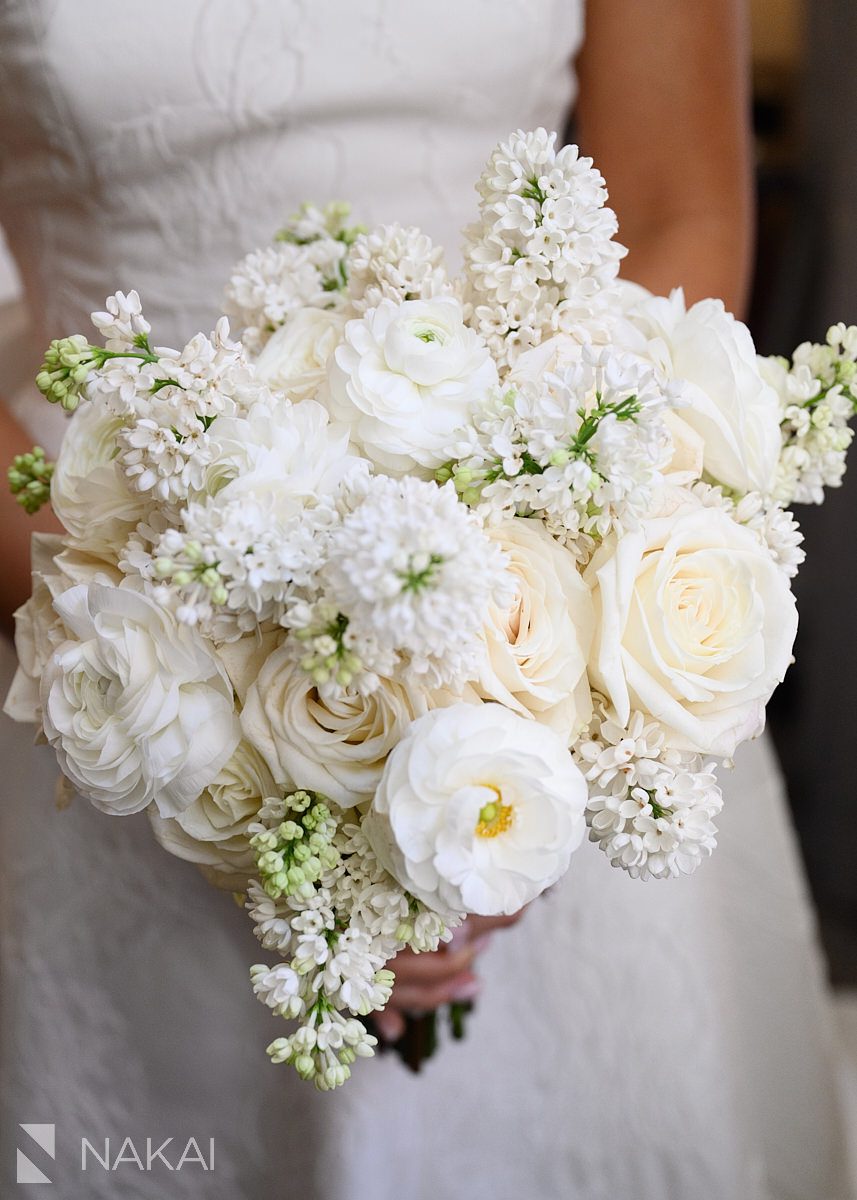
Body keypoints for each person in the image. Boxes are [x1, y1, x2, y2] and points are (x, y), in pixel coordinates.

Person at [0, 2, 851, 1197]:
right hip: (98, 608)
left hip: (542, 592)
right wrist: (191, 699)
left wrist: (525, 698)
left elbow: (672, 204)